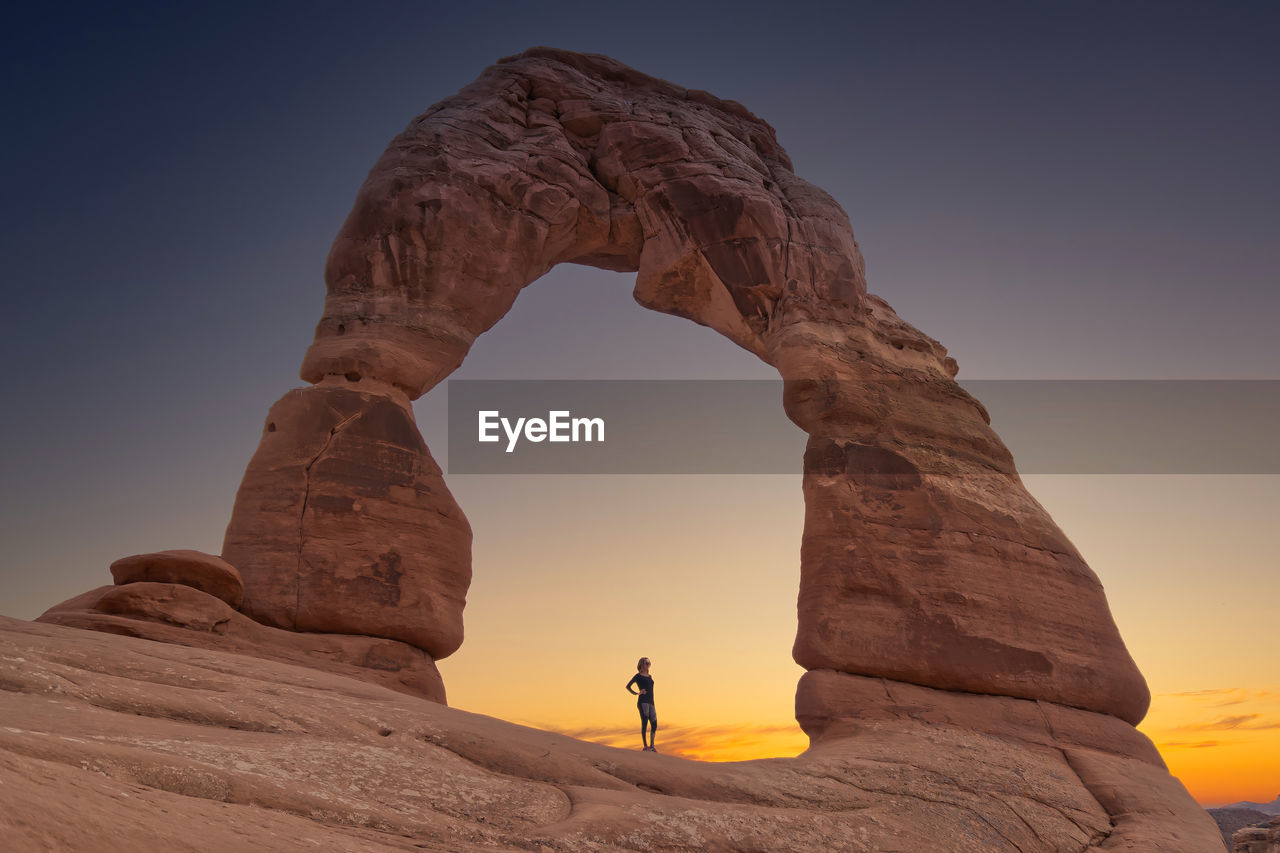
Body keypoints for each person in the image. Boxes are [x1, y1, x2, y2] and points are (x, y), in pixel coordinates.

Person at [625, 656, 657, 752]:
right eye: (646, 663)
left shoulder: (650, 676)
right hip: (643, 702)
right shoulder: (638, 676)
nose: (648, 665)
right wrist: (637, 693)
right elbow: (628, 686)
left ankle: (652, 746)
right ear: (641, 665)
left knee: (654, 724)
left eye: (649, 663)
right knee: (645, 722)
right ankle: (645, 746)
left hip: (651, 702)